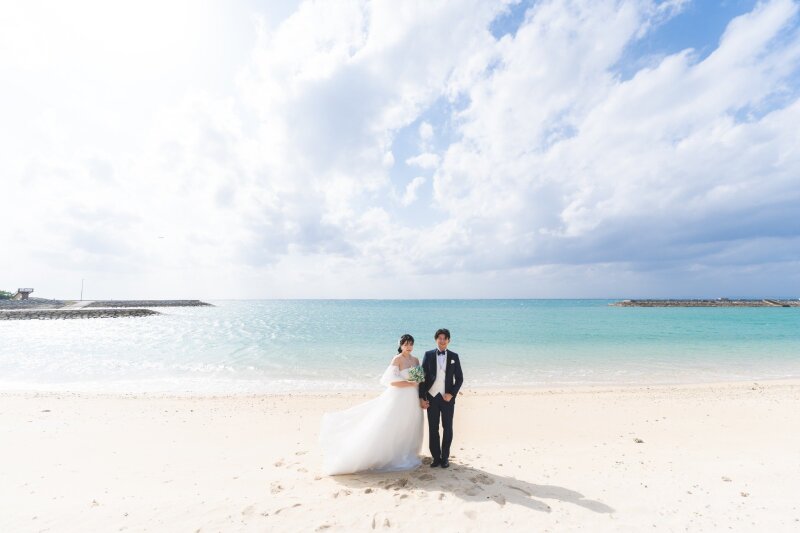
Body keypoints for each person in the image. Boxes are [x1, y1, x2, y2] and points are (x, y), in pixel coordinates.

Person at [319, 334, 423, 475]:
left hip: (412, 397)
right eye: (406, 344)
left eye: (411, 344)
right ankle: (389, 455)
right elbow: (390, 380)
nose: (408, 347)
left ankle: (405, 452)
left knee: (409, 425)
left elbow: (419, 379)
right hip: (399, 396)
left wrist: (419, 391)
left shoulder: (416, 360)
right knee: (392, 424)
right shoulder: (397, 359)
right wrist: (409, 383)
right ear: (401, 345)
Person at [418, 328, 463, 468]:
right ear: (436, 340)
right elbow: (422, 378)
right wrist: (421, 397)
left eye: (445, 338)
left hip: (447, 398)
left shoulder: (454, 356)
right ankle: (436, 457)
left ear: (448, 340)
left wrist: (452, 393)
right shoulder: (428, 354)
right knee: (433, 428)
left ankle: (445, 457)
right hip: (431, 397)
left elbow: (460, 379)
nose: (442, 340)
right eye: (440, 338)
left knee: (447, 428)